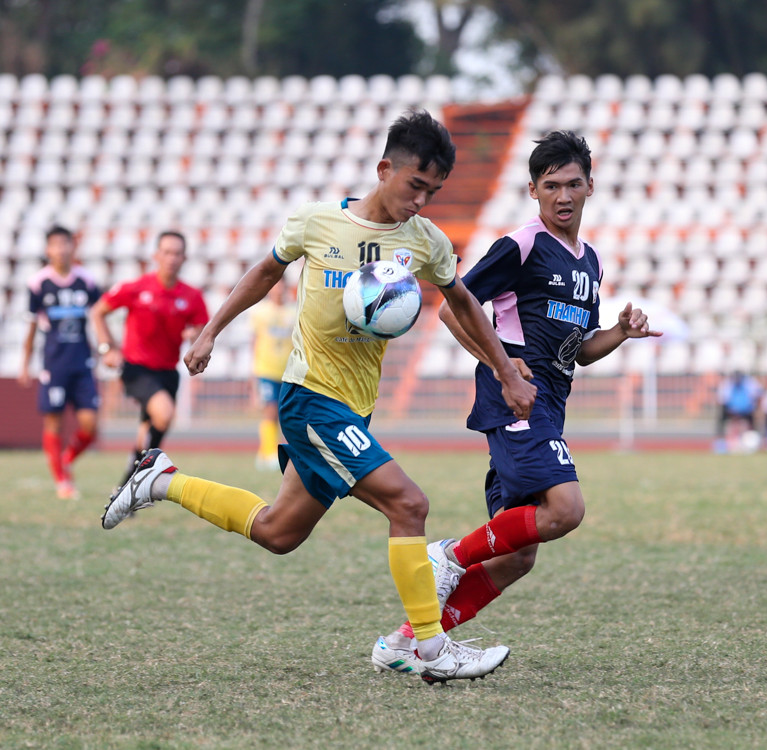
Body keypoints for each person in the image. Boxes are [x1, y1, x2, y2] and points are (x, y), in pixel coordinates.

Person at [99, 110, 537, 684]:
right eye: (414, 186)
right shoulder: (317, 222)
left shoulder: (424, 241)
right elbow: (263, 273)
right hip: (310, 399)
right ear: (384, 169)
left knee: (278, 532)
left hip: (354, 405)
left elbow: (463, 302)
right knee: (410, 505)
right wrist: (211, 331)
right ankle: (427, 648)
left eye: (432, 192)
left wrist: (504, 369)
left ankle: (159, 478)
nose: (420, 201)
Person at [370, 130, 663, 675]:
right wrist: (503, 367)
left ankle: (405, 643)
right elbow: (453, 311)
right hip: (517, 402)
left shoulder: (589, 262)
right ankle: (448, 556)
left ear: (591, 186)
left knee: (517, 556)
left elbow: (579, 352)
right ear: (533, 190)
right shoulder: (521, 245)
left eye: (573, 184)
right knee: (566, 509)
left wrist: (620, 332)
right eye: (551, 185)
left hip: (550, 401)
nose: (563, 196)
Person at [90, 231, 209, 488]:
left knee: (149, 431)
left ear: (184, 258)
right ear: (156, 255)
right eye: (166, 252)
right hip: (136, 368)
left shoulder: (191, 296)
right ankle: (140, 478)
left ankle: (127, 487)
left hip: (168, 372)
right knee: (164, 413)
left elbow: (202, 335)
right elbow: (97, 311)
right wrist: (107, 348)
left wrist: (194, 336)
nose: (171, 258)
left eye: (177, 253)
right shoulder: (136, 288)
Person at [19, 226, 102, 500]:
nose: (61, 249)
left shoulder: (86, 281)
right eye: (55, 244)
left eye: (66, 244)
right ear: (48, 250)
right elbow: (31, 326)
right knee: (53, 422)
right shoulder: (39, 283)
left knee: (89, 425)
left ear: (72, 247)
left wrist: (106, 347)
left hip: (82, 363)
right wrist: (25, 363)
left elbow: (99, 317)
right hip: (54, 364)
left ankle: (65, 458)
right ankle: (62, 481)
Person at [248, 278, 295, 471]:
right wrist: (252, 373)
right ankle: (269, 453)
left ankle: (265, 451)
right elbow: (255, 341)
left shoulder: (294, 311)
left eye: (281, 286)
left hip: (288, 370)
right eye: (275, 286)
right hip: (266, 369)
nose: (278, 290)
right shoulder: (260, 312)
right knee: (270, 409)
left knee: (285, 413)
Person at [713, 370, 762, 452]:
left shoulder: (750, 383)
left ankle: (752, 443)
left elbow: (757, 396)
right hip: (731, 410)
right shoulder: (727, 384)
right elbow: (722, 400)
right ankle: (721, 444)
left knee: (753, 423)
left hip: (746, 410)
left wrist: (753, 408)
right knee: (721, 420)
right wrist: (732, 411)